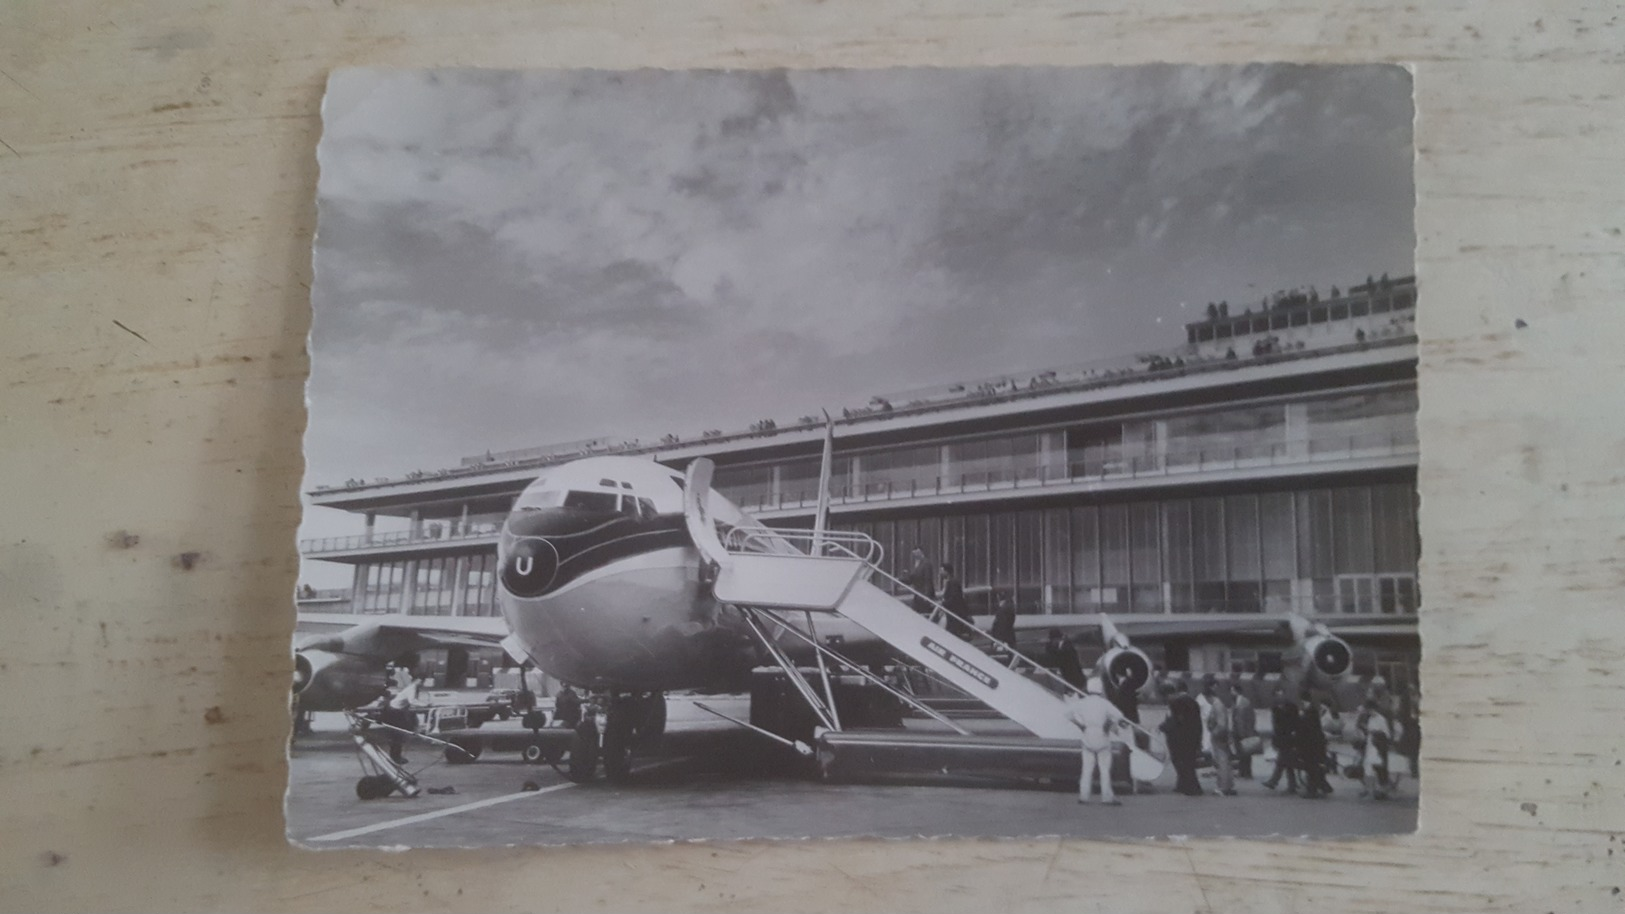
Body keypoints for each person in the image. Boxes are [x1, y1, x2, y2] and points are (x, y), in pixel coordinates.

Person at [1066, 677, 1128, 805]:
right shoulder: (1104, 703)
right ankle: (1107, 797)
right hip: (1101, 734)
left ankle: (1083, 795)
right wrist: (1108, 725)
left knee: (1087, 768)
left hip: (1088, 733)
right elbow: (1118, 715)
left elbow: (1068, 714)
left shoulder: (1082, 702)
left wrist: (1080, 725)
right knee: (1104, 768)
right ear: (1100, 689)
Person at [1160, 683, 1204, 796]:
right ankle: (1185, 785)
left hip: (1181, 738)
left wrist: (1163, 727)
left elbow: (1176, 722)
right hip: (1193, 737)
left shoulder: (1177, 703)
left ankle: (1192, 787)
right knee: (1189, 762)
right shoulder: (1193, 702)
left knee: (1184, 763)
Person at [1261, 690, 1300, 794]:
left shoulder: (1290, 708)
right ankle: (1291, 784)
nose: (1280, 696)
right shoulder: (1275, 709)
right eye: (1278, 694)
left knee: (1283, 761)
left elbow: (1294, 723)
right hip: (1283, 739)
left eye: (1281, 694)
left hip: (1289, 739)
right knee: (1287, 763)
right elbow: (1276, 727)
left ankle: (1274, 781)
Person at [1206, 680, 1237, 796]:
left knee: (1222, 762)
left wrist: (1214, 733)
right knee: (1226, 762)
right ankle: (1228, 785)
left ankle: (1223, 786)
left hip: (1219, 737)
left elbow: (1221, 724)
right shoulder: (1219, 704)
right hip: (1222, 736)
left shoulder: (1217, 705)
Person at [1358, 700, 1393, 799]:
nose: (1368, 712)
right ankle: (1370, 789)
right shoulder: (1370, 719)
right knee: (1369, 767)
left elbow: (1386, 733)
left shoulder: (1381, 719)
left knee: (1379, 767)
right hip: (1371, 745)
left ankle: (1381, 789)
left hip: (1378, 746)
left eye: (1368, 709)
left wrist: (1373, 731)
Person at [1298, 696, 1332, 798]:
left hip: (1311, 746)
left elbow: (1305, 729)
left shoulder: (1309, 715)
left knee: (1311, 768)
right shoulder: (1314, 714)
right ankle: (1322, 786)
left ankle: (1312, 790)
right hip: (1316, 745)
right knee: (1315, 767)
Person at [1230, 677, 1257, 780]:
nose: (1231, 693)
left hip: (1244, 731)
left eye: (1232, 690)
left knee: (1246, 752)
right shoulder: (1236, 702)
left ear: (1237, 691)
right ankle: (1242, 771)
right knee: (1240, 752)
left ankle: (1247, 772)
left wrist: (1249, 731)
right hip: (1237, 731)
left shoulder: (1245, 702)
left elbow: (1250, 718)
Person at [938, 564, 972, 640]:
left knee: (953, 631)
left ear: (947, 571)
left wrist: (943, 603)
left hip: (955, 612)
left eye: (942, 570)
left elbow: (954, 598)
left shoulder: (953, 582)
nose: (940, 573)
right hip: (952, 612)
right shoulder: (949, 582)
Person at [905, 548, 934, 616]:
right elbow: (912, 579)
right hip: (917, 594)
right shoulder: (915, 564)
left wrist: (927, 595)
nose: (914, 555)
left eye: (916, 553)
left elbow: (928, 580)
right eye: (913, 553)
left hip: (923, 595)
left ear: (921, 552)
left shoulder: (926, 563)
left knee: (923, 614)